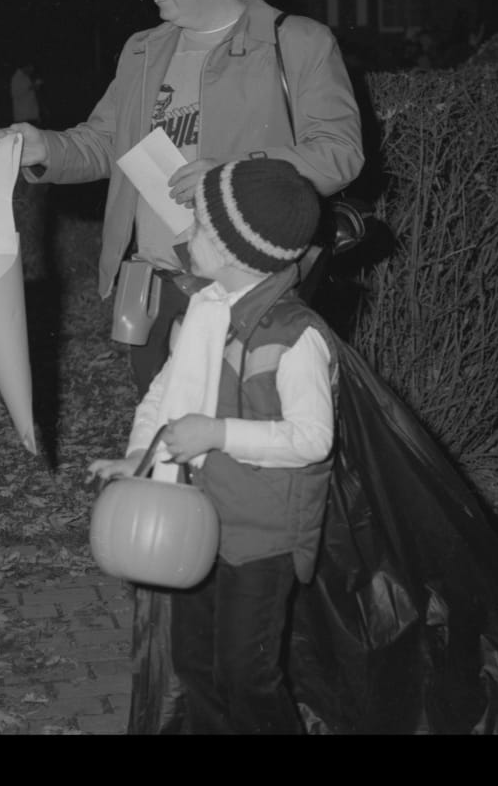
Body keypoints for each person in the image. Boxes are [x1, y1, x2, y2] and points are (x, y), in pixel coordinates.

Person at [0, 0, 362, 398]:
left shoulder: (296, 43)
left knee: (235, 448)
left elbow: (339, 152)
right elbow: (105, 142)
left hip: (248, 287)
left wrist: (232, 175)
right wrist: (47, 149)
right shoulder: (144, 50)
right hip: (155, 285)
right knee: (161, 435)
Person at [88, 158, 337, 734]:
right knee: (194, 664)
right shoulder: (206, 309)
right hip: (201, 520)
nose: (185, 236)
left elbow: (312, 438)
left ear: (237, 250)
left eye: (199, 226)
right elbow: (165, 391)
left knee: (245, 674)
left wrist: (216, 433)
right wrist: (141, 455)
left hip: (261, 534)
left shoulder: (294, 338)